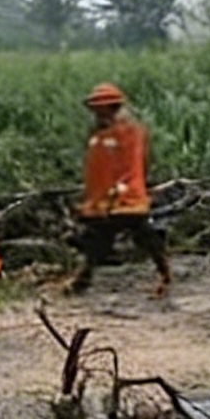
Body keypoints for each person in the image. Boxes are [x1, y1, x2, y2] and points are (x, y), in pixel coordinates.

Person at [72, 82, 172, 297]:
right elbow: (95, 170)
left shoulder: (130, 133)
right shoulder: (98, 136)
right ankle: (83, 279)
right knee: (101, 237)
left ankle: (164, 274)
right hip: (103, 201)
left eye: (101, 109)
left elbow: (135, 163)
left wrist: (124, 187)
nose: (97, 114)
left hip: (126, 197)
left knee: (142, 236)